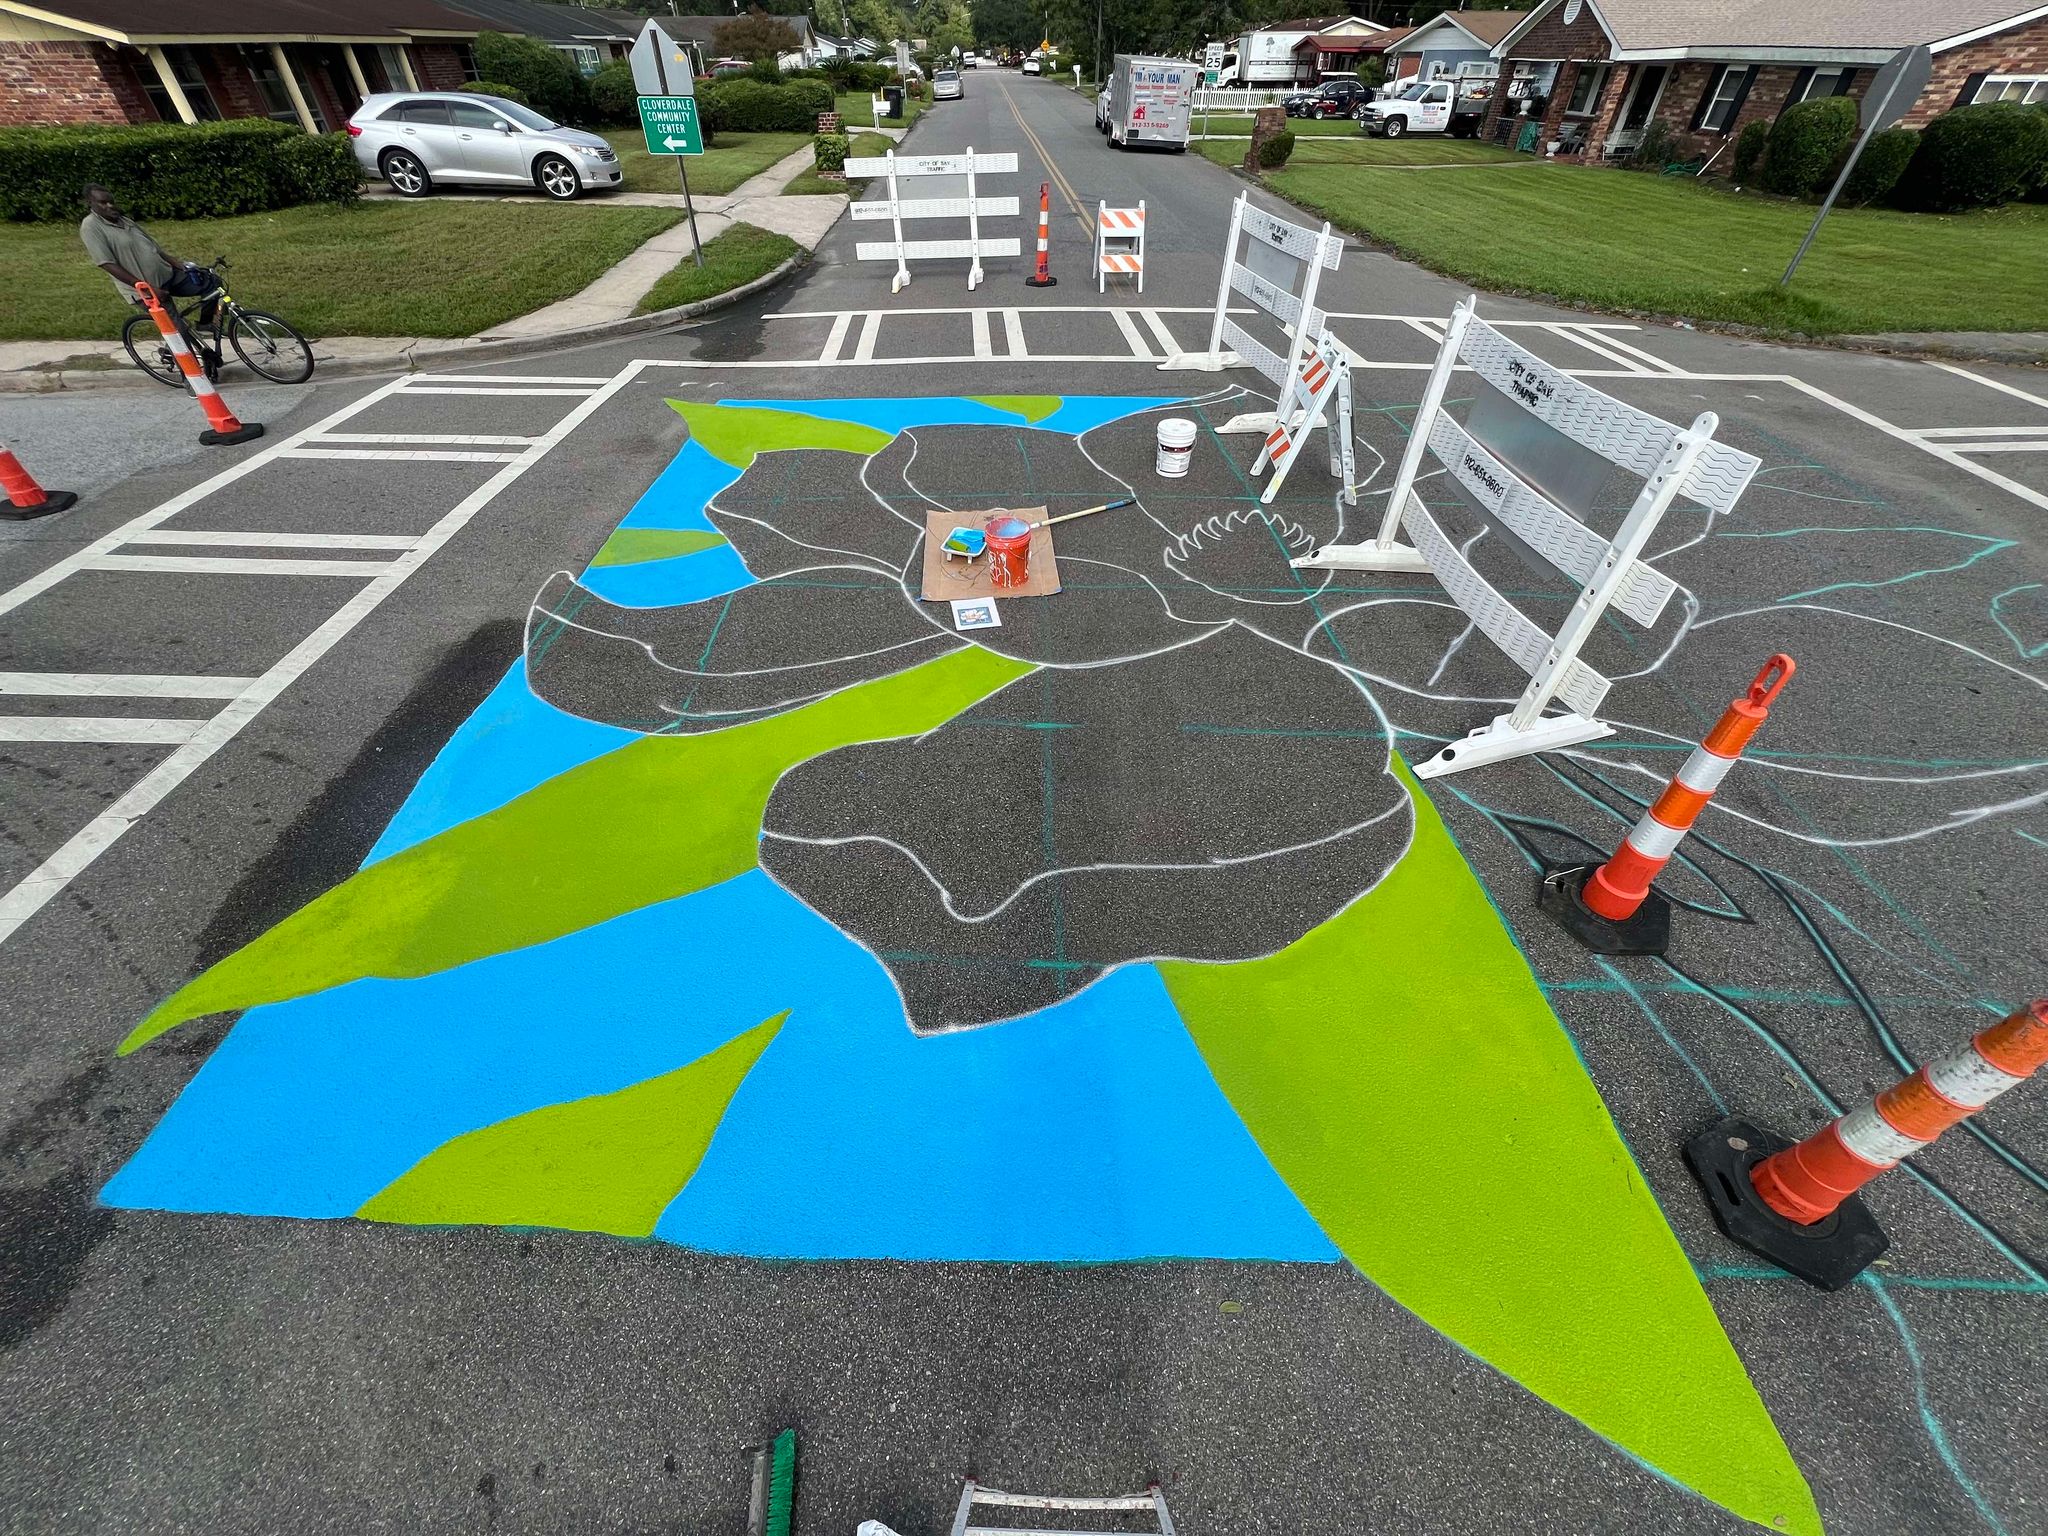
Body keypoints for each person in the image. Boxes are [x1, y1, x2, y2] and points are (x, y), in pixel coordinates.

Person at [78, 183, 221, 360]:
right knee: (178, 332)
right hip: (146, 291)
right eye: (103, 203)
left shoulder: (125, 221)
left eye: (111, 201)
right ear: (90, 203)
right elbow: (107, 263)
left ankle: (205, 324)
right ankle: (190, 373)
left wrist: (177, 263)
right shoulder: (90, 227)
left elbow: (153, 247)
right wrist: (145, 288)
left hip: (168, 275)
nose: (110, 206)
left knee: (212, 282)